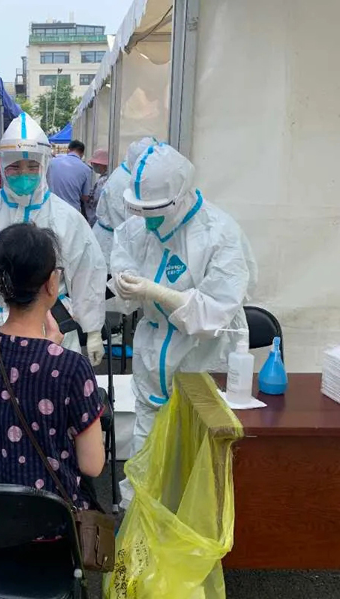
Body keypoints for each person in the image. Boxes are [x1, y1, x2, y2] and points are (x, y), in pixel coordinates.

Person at [110, 143, 258, 455]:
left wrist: (158, 292)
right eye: (141, 210)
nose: (147, 220)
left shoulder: (218, 233)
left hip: (202, 356)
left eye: (154, 211)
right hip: (152, 354)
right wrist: (124, 278)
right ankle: (139, 490)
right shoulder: (140, 226)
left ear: (179, 196)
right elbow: (124, 249)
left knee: (198, 448)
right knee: (146, 444)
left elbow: (215, 312)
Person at [0, 223, 105, 506]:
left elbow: (13, 377)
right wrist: (51, 351)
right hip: (46, 519)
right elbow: (92, 465)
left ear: (0, 283)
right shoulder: (72, 367)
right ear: (51, 283)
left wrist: (48, 350)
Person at [0, 112, 107, 366]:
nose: (24, 173)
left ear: (44, 165)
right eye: (15, 166)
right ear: (2, 166)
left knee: (49, 388)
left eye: (32, 166)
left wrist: (93, 329)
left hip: (49, 327)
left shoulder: (67, 217)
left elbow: (88, 272)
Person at [93, 138, 156, 271]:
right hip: (110, 244)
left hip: (111, 240)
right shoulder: (124, 182)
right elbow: (131, 222)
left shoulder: (125, 171)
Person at [46, 140, 93, 214]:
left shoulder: (52, 162)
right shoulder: (86, 169)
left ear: (68, 150)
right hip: (72, 211)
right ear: (82, 154)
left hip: (52, 208)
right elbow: (85, 197)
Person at [85, 148, 109, 228]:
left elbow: (96, 201)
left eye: (95, 164)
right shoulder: (105, 178)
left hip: (96, 221)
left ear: (102, 165)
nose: (93, 166)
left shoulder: (103, 181)